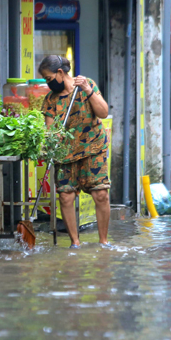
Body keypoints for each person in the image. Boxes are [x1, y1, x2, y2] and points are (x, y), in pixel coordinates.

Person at [39, 55, 111, 248]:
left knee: (101, 194)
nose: (48, 84)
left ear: (60, 73)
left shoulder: (87, 85)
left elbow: (103, 113)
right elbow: (50, 128)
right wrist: (54, 135)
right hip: (66, 154)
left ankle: (103, 242)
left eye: (48, 79)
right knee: (65, 196)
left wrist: (88, 91)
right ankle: (75, 243)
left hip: (93, 148)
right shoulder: (50, 100)